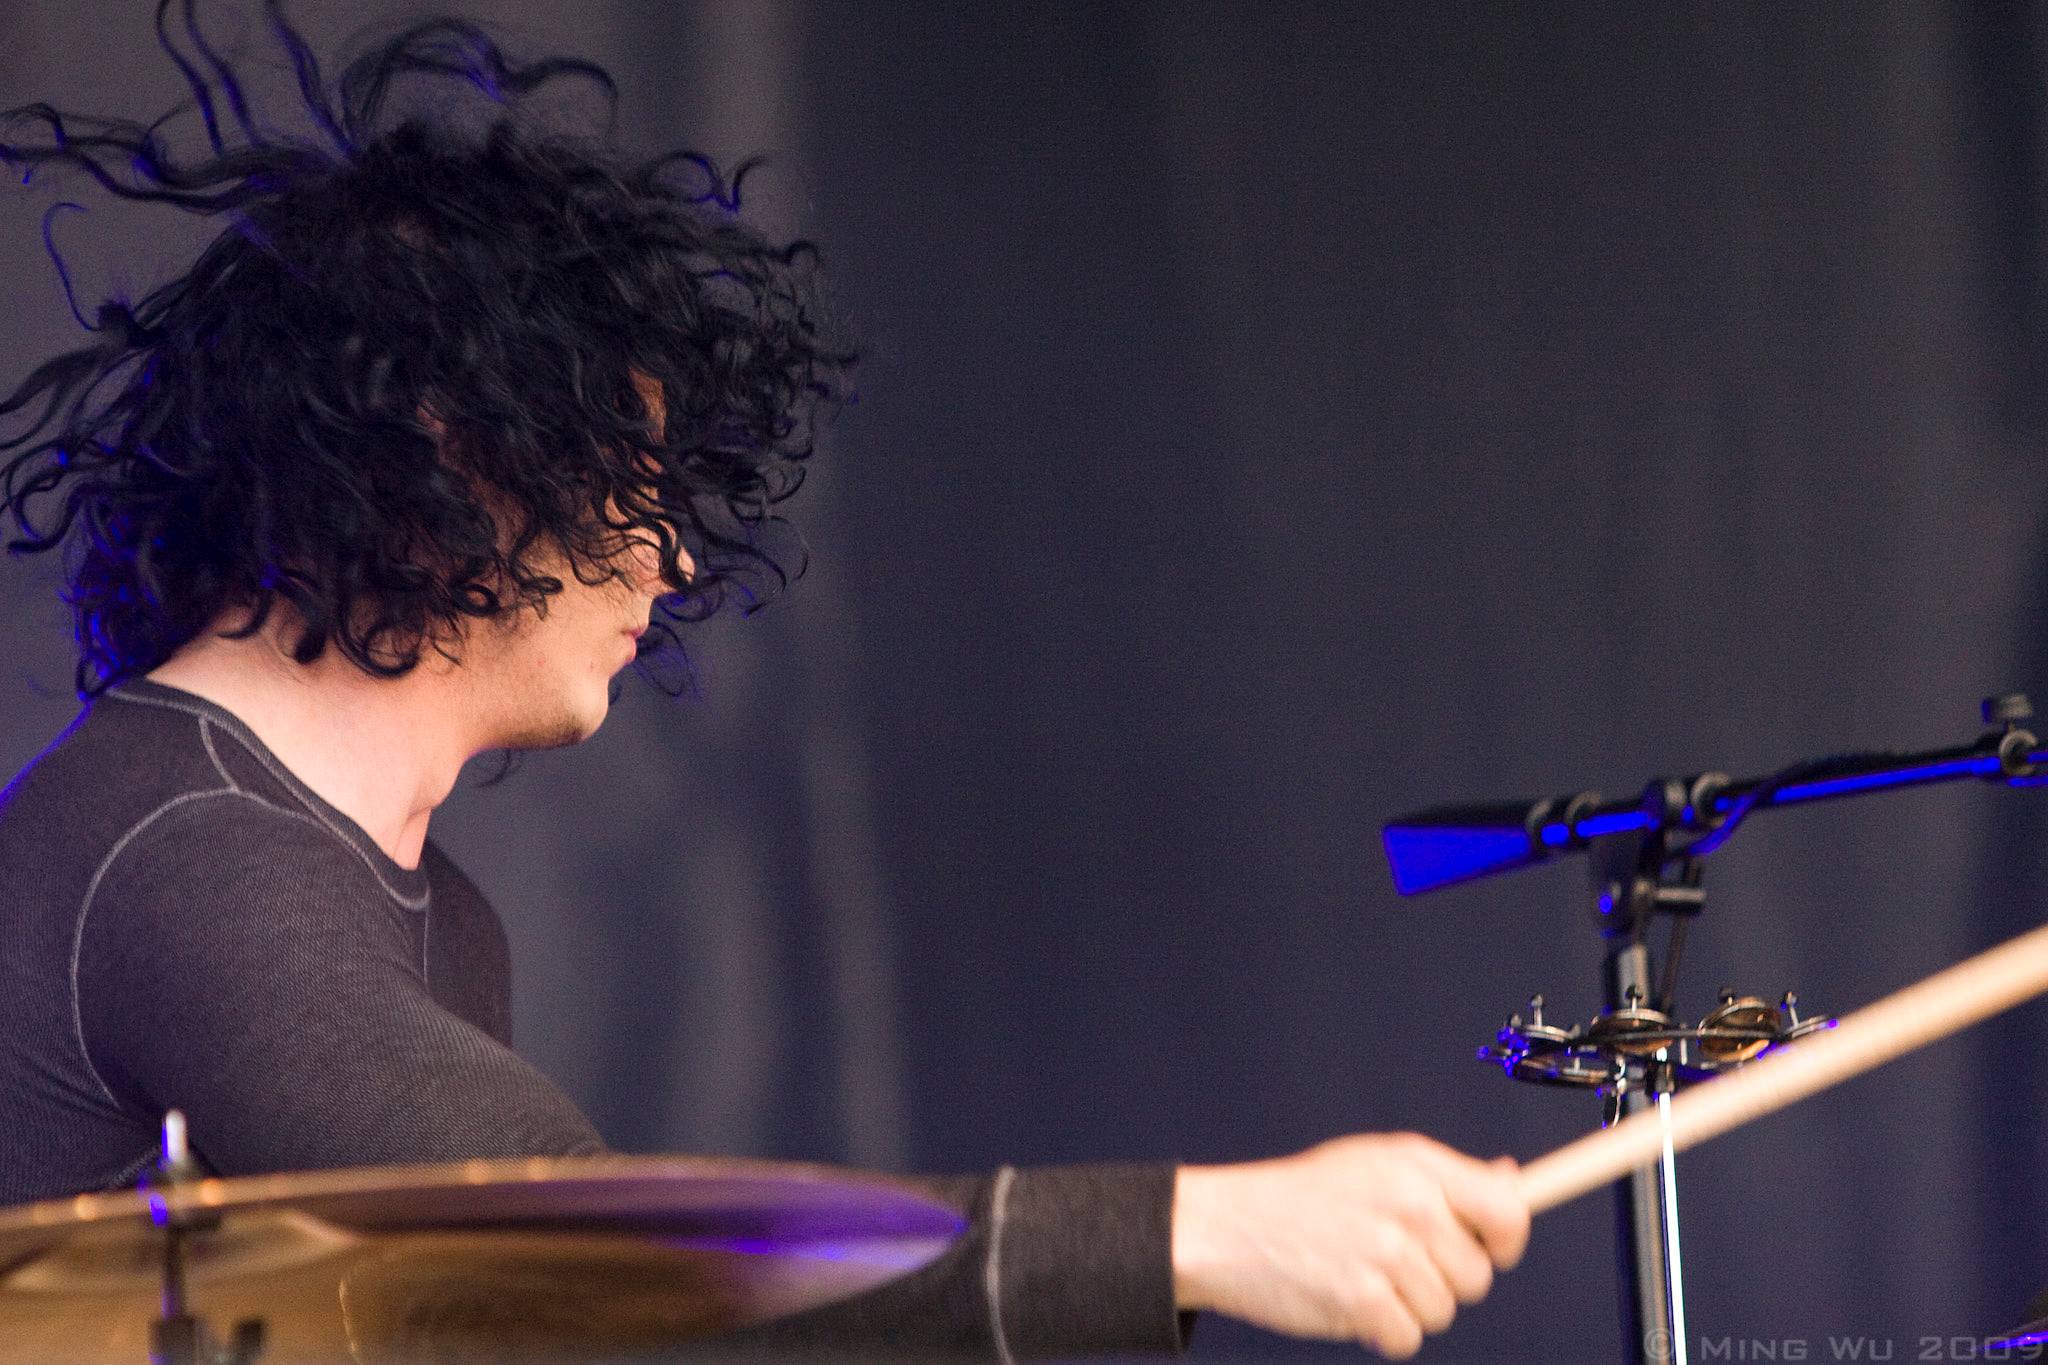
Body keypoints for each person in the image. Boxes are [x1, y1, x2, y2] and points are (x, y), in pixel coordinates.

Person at [0, 4, 1529, 1358]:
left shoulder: (428, 907)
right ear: (450, 458)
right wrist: (1196, 1231)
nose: (669, 560)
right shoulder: (184, 851)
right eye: (630, 483)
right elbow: (588, 1264)